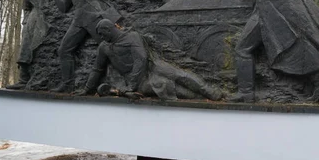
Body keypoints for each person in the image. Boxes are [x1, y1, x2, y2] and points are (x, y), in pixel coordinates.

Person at [74, 19, 222, 101]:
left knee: (178, 74)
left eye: (102, 33)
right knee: (169, 87)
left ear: (108, 29)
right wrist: (88, 89)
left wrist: (131, 83)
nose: (101, 37)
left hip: (151, 67)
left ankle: (210, 92)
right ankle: (199, 97)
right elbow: (97, 69)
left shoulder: (132, 37)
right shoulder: (104, 47)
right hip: (139, 81)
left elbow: (141, 59)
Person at [52, 0, 136, 93]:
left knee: (110, 49)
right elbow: (64, 7)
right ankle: (68, 84)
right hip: (79, 19)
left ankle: (129, 81)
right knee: (64, 50)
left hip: (96, 16)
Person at [6, 0, 49, 90]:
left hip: (37, 20)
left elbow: (28, 1)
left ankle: (24, 80)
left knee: (27, 47)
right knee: (26, 47)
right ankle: (24, 79)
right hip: (34, 18)